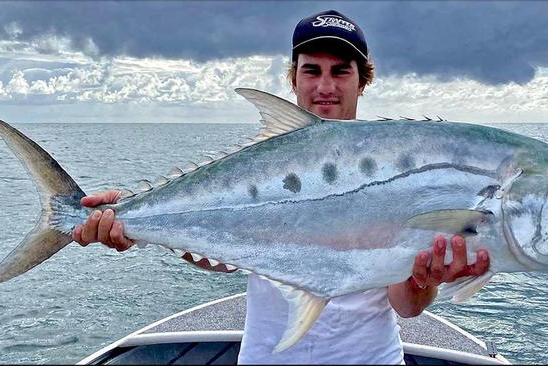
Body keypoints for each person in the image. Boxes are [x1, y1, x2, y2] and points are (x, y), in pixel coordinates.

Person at [73, 10, 490, 364]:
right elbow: (222, 261)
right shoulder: (261, 168)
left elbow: (406, 305)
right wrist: (135, 223)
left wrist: (426, 278)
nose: (325, 86)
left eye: (340, 71)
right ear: (294, 79)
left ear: (362, 80)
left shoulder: (400, 169)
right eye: (312, 70)